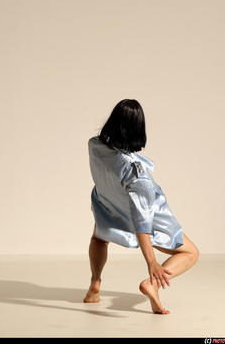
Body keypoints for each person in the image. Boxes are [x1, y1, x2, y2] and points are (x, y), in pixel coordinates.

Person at [83, 99, 199, 314]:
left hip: (109, 207)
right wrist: (152, 262)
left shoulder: (94, 145)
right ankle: (152, 284)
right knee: (191, 253)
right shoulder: (137, 175)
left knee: (99, 238)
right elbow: (142, 219)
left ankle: (94, 285)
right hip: (144, 216)